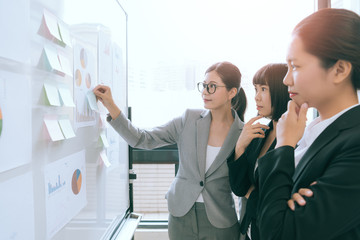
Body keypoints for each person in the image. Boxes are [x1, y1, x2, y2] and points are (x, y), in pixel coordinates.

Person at [93, 61, 247, 240]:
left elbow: (245, 188)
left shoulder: (242, 133)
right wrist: (111, 105)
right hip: (182, 215)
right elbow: (142, 139)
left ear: (232, 92)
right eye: (204, 86)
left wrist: (243, 232)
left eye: (212, 87)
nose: (205, 92)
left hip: (221, 222)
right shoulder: (188, 119)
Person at [255, 8, 360, 240]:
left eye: (296, 66)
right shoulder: (310, 129)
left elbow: (277, 233)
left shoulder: (355, 143)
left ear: (340, 70)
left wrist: (284, 145)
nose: (286, 79)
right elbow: (265, 214)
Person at [227, 63, 290, 240]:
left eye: (263, 89)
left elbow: (278, 199)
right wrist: (240, 146)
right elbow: (239, 188)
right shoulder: (260, 133)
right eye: (255, 89)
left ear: (281, 91)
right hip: (252, 230)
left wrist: (252, 193)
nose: (256, 97)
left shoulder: (296, 140)